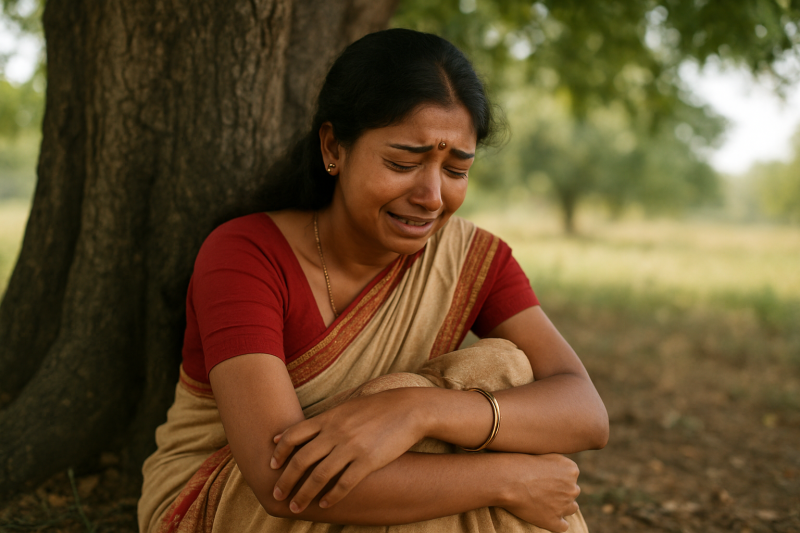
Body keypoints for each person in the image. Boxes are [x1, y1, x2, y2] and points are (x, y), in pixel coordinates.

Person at [138, 28, 608, 533]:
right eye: (402, 163)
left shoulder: (470, 259)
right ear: (333, 148)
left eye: (456, 170)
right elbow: (279, 480)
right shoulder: (246, 255)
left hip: (375, 493)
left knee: (491, 372)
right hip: (227, 500)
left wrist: (417, 410)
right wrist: (510, 478)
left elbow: (585, 412)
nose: (431, 195)